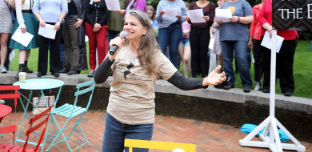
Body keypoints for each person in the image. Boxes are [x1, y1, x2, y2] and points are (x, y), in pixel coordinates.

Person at [94, 10, 226, 152]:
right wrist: (111, 55)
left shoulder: (155, 56)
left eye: (133, 24)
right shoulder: (117, 51)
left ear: (145, 30)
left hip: (141, 124)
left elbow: (181, 82)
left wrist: (205, 81)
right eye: (125, 24)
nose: (127, 27)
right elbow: (98, 79)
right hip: (114, 118)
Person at [217, 0, 253, 92]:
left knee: (241, 59)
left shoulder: (244, 3)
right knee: (226, 60)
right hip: (225, 35)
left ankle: (246, 83)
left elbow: (250, 19)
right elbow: (218, 20)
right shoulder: (224, 5)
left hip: (240, 36)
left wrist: (238, 19)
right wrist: (218, 21)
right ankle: (229, 82)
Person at [259, 0, 298, 96]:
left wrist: (278, 26)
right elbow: (261, 17)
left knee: (286, 64)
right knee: (268, 62)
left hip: (288, 37)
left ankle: (287, 88)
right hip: (270, 37)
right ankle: (268, 86)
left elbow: (297, 17)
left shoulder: (293, 1)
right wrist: (269, 27)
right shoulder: (268, 2)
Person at [33, 0, 67, 78]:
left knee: (55, 47)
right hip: (44, 24)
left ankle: (55, 69)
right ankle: (41, 70)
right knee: (43, 48)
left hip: (56, 24)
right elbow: (35, 9)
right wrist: (40, 20)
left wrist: (59, 21)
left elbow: (65, 9)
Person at [9, 0, 39, 79]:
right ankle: (20, 68)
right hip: (23, 19)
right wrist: (22, 24)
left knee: (28, 44)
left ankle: (25, 65)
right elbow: (18, 10)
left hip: (33, 20)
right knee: (22, 44)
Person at [62, 0, 89, 75]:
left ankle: (75, 67)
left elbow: (84, 8)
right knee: (67, 44)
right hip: (64, 20)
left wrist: (81, 19)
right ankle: (66, 66)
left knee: (75, 45)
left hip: (75, 19)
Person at [187, 0, 216, 77]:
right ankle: (194, 75)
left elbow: (212, 21)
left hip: (205, 30)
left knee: (203, 53)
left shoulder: (211, 5)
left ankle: (204, 75)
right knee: (194, 53)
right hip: (194, 30)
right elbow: (191, 21)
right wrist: (188, 19)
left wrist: (208, 19)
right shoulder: (192, 5)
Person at [155, 0, 187, 68]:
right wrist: (160, 14)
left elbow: (185, 18)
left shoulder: (181, 2)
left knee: (174, 50)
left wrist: (180, 17)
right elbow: (156, 18)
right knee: (161, 49)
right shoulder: (162, 2)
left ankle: (174, 73)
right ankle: (159, 72)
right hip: (163, 28)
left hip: (176, 27)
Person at [85, 0, 109, 77]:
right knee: (91, 46)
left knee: (101, 46)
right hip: (90, 25)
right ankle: (92, 68)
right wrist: (93, 23)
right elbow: (86, 12)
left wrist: (99, 24)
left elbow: (107, 13)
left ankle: (101, 68)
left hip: (102, 26)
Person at [248, 0, 272, 91]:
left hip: (269, 35)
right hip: (257, 36)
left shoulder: (272, 6)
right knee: (257, 60)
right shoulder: (256, 7)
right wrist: (250, 39)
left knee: (267, 60)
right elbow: (253, 24)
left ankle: (268, 82)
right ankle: (258, 81)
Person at [179, 2, 191, 77]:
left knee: (186, 58)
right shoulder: (179, 17)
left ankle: (187, 77)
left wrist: (187, 31)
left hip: (188, 39)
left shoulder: (190, 17)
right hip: (180, 39)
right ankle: (185, 77)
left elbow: (195, 27)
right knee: (183, 59)